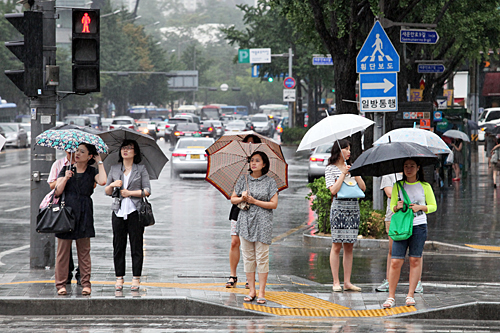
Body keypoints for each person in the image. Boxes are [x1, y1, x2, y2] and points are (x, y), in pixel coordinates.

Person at [383, 158, 436, 308]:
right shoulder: (397, 186)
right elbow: (392, 206)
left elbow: (433, 206)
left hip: (419, 226)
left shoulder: (425, 186)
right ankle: (391, 297)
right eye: (406, 166)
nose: (409, 169)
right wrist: (397, 207)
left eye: (412, 166)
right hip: (401, 227)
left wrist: (421, 207)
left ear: (418, 167)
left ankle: (410, 295)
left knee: (415, 260)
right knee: (395, 261)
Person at [54, 143, 107, 296]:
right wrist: (65, 178)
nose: (77, 154)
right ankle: (61, 284)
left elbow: (103, 181)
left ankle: (85, 283)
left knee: (84, 252)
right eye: (77, 150)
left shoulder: (92, 172)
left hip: (84, 212)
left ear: (89, 156)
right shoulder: (66, 169)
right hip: (67, 212)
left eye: (82, 151)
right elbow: (57, 192)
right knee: (63, 252)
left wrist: (100, 161)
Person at [230, 151, 278, 304]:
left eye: (257, 161)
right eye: (251, 161)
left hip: (263, 222)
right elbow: (232, 199)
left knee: (262, 257)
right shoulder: (243, 180)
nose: (253, 163)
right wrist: (241, 198)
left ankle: (262, 291)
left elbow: (273, 204)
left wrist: (255, 201)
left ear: (264, 164)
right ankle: (252, 290)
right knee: (248, 257)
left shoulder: (270, 182)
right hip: (245, 221)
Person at [105, 140, 151, 292]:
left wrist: (130, 193)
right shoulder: (114, 168)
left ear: (135, 152)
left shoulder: (141, 169)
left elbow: (147, 191)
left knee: (136, 246)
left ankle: (136, 278)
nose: (125, 151)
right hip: (118, 211)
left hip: (135, 212)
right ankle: (119, 277)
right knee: (118, 246)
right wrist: (112, 185)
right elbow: (107, 191)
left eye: (129, 148)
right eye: (123, 148)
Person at [325, 139, 366, 292]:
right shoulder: (330, 169)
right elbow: (333, 190)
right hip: (338, 207)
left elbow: (363, 188)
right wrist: (343, 174)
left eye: (349, 149)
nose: (349, 152)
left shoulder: (352, 167)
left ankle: (347, 282)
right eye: (346, 149)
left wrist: (354, 173)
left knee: (349, 245)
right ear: (339, 150)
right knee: (336, 244)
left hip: (353, 207)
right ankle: (336, 281)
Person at [376, 173, 424, 294]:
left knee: (416, 253)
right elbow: (389, 193)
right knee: (393, 252)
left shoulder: (413, 174)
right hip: (395, 218)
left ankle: (417, 281)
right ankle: (389, 280)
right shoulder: (389, 175)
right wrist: (402, 191)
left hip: (414, 218)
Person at [226, 134, 262, 289]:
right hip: (239, 211)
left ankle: (250, 278)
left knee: (252, 245)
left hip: (256, 212)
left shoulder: (264, 174)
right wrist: (242, 197)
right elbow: (232, 198)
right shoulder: (241, 173)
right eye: (247, 144)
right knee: (235, 242)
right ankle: (233, 275)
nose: (250, 147)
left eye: (253, 145)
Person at [46, 151, 80, 285]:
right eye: (70, 149)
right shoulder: (59, 164)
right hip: (63, 207)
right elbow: (51, 185)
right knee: (64, 242)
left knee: (82, 243)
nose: (73, 151)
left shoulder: (84, 165)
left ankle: (81, 275)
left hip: (79, 207)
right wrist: (65, 178)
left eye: (77, 149)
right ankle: (66, 274)